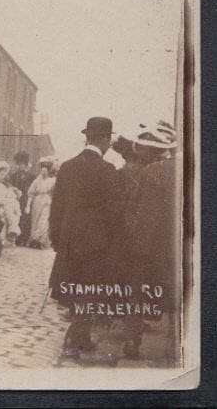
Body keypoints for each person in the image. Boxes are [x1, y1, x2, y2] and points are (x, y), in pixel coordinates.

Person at [48, 117, 124, 360]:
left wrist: (57, 237)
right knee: (90, 290)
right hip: (96, 243)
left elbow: (56, 207)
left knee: (72, 287)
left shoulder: (67, 166)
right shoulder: (106, 170)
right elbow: (114, 212)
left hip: (69, 240)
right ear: (104, 139)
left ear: (87, 137)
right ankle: (75, 337)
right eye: (108, 140)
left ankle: (80, 337)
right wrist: (113, 240)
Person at [113, 122, 179, 361]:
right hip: (176, 248)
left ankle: (132, 342)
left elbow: (138, 211)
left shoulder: (152, 172)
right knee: (177, 295)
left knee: (137, 294)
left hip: (145, 247)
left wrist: (133, 242)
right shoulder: (188, 170)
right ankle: (176, 344)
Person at [26, 157, 57, 249]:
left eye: (45, 170)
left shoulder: (53, 181)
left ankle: (40, 240)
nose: (43, 172)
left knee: (43, 221)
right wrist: (28, 205)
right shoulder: (36, 181)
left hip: (47, 201)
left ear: (48, 171)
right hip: (37, 200)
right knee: (35, 220)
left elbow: (55, 192)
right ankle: (34, 240)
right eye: (42, 170)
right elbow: (31, 193)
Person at [8, 151, 36, 247]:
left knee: (26, 218)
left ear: (26, 164)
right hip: (17, 198)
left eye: (23, 164)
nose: (21, 166)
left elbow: (33, 189)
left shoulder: (32, 176)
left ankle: (25, 238)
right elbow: (11, 185)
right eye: (19, 164)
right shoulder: (14, 175)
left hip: (27, 198)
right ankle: (17, 238)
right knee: (18, 217)